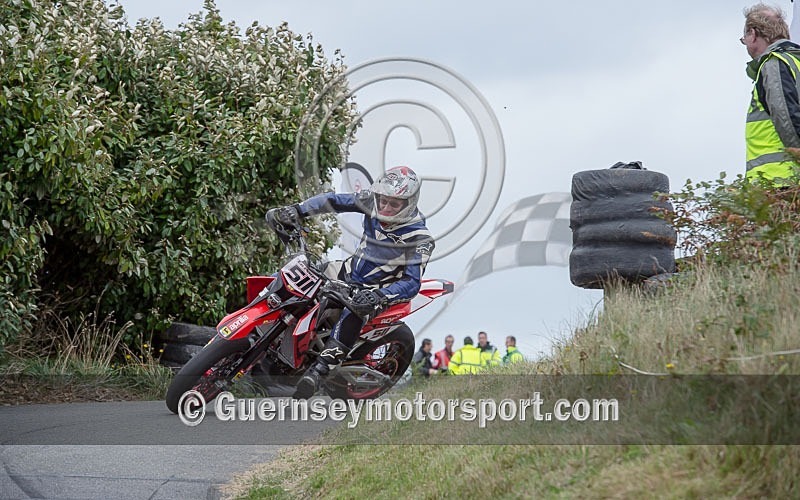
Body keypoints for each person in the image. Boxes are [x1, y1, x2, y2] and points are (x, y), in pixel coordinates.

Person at [272, 166, 435, 398]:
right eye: (383, 200)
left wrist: (378, 297)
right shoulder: (371, 200)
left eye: (394, 204)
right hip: (346, 270)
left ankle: (319, 372)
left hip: (376, 291)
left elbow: (412, 283)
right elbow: (333, 200)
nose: (386, 208)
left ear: (409, 202)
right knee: (296, 279)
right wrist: (297, 210)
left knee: (354, 311)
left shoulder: (420, 238)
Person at [742, 4, 800, 183]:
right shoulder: (794, 62)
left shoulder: (774, 64)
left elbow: (786, 119)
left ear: (753, 34)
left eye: (743, 38)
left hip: (777, 179)